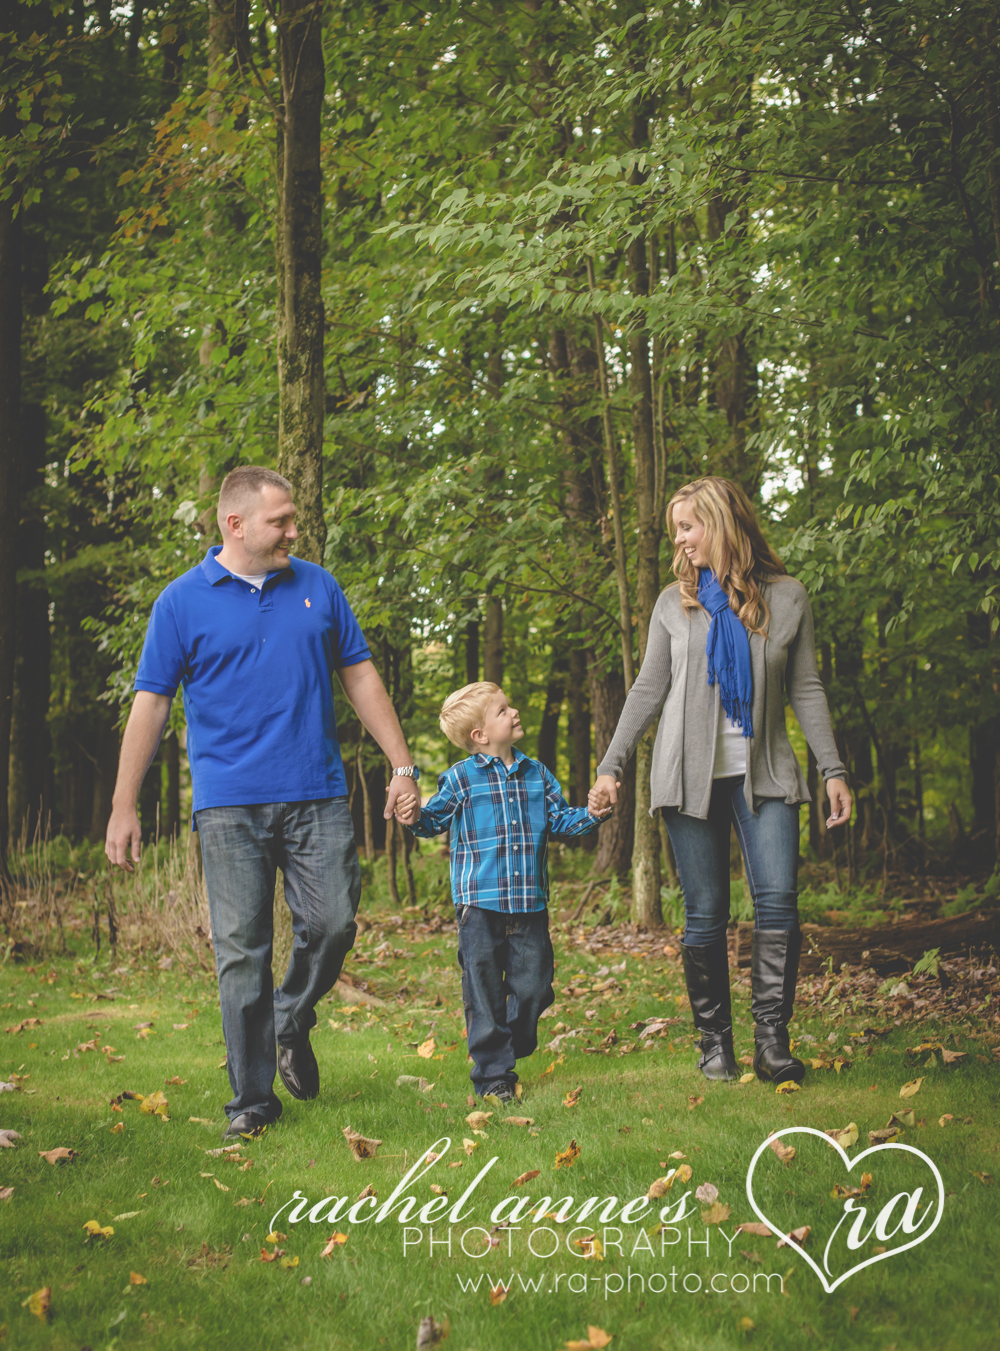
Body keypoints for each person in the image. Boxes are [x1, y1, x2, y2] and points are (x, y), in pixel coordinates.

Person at [104, 467, 420, 1139]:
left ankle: (289, 1018)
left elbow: (359, 674)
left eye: (292, 520)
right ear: (235, 524)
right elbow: (152, 703)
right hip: (229, 804)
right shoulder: (180, 602)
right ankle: (251, 1101)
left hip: (317, 792)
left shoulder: (317, 586)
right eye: (281, 521)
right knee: (242, 949)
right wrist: (122, 805)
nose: (294, 532)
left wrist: (401, 764)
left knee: (334, 923)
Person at [588, 477, 851, 1086]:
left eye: (688, 526)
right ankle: (714, 1045)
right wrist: (612, 764)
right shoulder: (672, 604)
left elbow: (805, 687)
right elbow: (648, 688)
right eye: (676, 529)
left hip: (767, 775)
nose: (680, 540)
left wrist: (832, 769)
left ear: (721, 523)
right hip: (687, 777)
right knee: (705, 914)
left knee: (779, 902)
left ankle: (771, 1046)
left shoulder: (786, 599)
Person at [399, 681, 610, 1102]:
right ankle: (494, 1076)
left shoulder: (537, 773)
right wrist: (412, 814)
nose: (513, 713)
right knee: (483, 990)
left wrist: (592, 813)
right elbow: (432, 822)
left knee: (536, 986)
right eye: (502, 710)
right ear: (480, 735)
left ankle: (513, 1040)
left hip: (529, 903)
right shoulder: (461, 778)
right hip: (477, 905)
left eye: (508, 707)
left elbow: (562, 821)